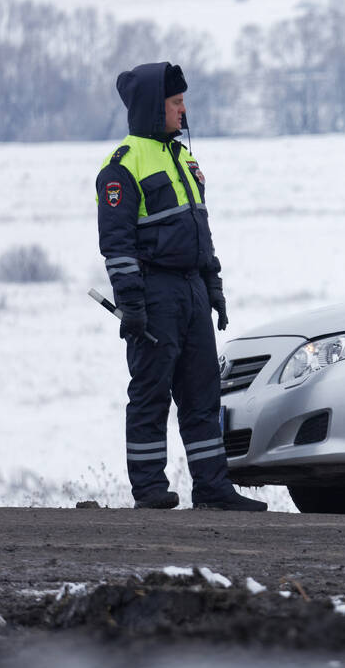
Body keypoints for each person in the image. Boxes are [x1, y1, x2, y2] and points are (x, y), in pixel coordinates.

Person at [95, 62, 267, 512]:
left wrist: (214, 288)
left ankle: (212, 488)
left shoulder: (183, 159)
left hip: (191, 292)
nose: (183, 110)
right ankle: (150, 491)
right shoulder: (121, 168)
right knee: (151, 392)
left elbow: (200, 232)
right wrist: (132, 305)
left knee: (203, 393)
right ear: (156, 106)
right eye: (176, 102)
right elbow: (116, 245)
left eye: (182, 101)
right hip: (155, 295)